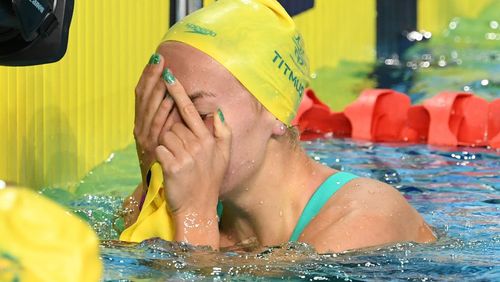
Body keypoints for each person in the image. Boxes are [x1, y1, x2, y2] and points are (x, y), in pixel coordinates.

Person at [121, 0, 436, 253]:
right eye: (161, 107)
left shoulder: (365, 219)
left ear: (276, 112)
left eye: (196, 111)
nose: (169, 130)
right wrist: (150, 168)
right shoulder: (193, 193)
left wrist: (194, 215)